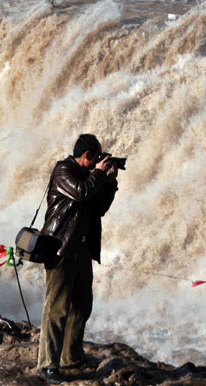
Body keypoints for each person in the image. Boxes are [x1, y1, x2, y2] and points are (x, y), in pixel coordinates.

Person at [37, 134, 118, 384]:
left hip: (81, 250)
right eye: (95, 159)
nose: (97, 164)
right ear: (87, 156)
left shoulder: (89, 177)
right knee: (57, 309)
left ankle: (72, 356)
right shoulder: (64, 170)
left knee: (82, 305)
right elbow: (81, 193)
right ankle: (48, 364)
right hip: (60, 249)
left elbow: (98, 209)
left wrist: (110, 183)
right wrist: (100, 175)